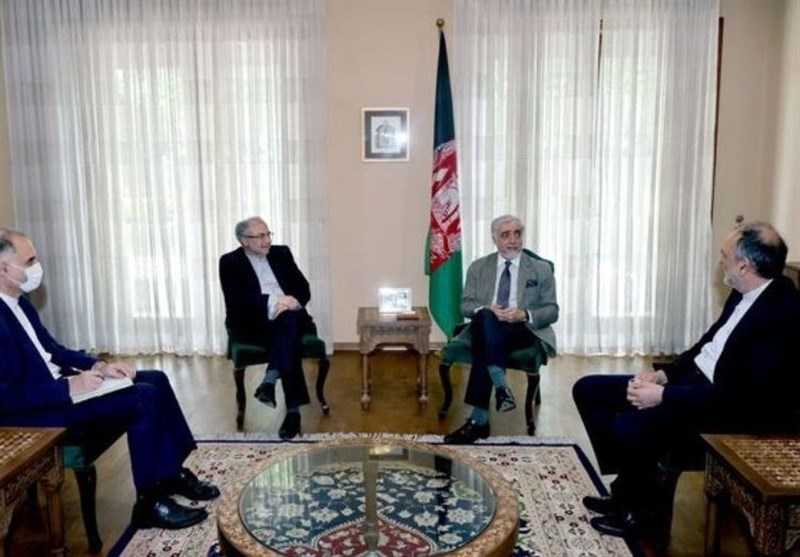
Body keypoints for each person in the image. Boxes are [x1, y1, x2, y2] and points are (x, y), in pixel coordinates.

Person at [573, 221, 800, 541]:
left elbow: (744, 395)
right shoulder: (744, 290)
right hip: (693, 385)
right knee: (589, 390)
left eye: (724, 255)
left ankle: (644, 518)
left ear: (744, 265)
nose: (720, 260)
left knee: (631, 425)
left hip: (727, 408)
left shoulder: (782, 315)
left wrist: (664, 396)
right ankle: (627, 488)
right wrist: (664, 375)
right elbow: (708, 343)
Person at [0, 228, 220, 530]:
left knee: (155, 378)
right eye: (29, 261)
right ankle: (149, 503)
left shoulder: (19, 302)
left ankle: (170, 474)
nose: (37, 267)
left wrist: (99, 365)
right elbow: (5, 397)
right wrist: (67, 387)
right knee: (142, 396)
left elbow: (53, 351)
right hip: (35, 413)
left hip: (59, 389)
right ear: (4, 268)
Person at [444, 214, 559, 444]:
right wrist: (487, 309)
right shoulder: (479, 267)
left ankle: (479, 421)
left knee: (484, 342)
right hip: (487, 325)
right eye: (506, 235)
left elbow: (552, 310)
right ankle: (500, 388)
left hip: (523, 329)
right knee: (486, 317)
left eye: (517, 233)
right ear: (494, 239)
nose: (513, 240)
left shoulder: (541, 269)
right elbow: (466, 305)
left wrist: (524, 314)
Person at [218, 216, 315, 440]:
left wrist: (289, 303)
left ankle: (270, 381)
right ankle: (292, 412)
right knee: (288, 335)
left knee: (288, 322)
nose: (267, 240)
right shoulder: (230, 262)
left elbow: (303, 288)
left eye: (268, 234)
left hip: (291, 315)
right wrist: (275, 301)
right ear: (244, 240)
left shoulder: (282, 253)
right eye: (261, 236)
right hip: (255, 323)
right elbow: (237, 300)